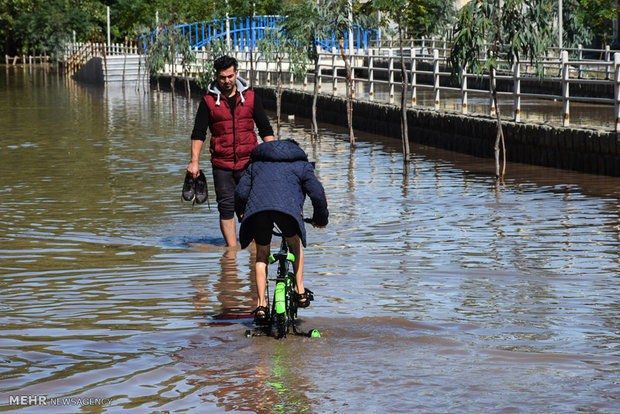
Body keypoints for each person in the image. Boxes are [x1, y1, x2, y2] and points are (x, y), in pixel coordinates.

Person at [234, 139, 329, 324]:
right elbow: (317, 193)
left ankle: (261, 306)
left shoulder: (257, 164)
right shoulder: (301, 164)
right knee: (294, 243)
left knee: (261, 254)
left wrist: (242, 213)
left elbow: (240, 193)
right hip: (287, 212)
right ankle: (300, 291)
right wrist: (320, 219)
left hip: (258, 212)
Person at [187, 55, 275, 247]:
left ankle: (254, 249)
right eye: (222, 78)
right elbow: (198, 133)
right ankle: (232, 254)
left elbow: (265, 129)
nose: (227, 81)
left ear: (236, 73)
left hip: (249, 164)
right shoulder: (208, 102)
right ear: (216, 77)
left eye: (230, 76)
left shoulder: (251, 98)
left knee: (252, 207)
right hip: (222, 165)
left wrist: (275, 157)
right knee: (226, 208)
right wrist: (194, 161)